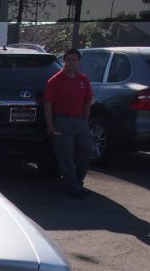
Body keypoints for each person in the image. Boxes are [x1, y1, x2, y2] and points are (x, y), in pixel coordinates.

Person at [43, 48, 93, 197]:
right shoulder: (55, 81)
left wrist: (85, 120)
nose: (71, 62)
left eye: (74, 60)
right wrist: (50, 125)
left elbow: (87, 101)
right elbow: (48, 103)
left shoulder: (83, 80)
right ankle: (73, 187)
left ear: (78, 62)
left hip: (80, 121)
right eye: (68, 59)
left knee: (85, 151)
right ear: (64, 61)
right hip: (62, 121)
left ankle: (78, 183)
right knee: (66, 155)